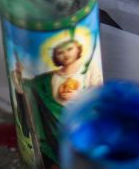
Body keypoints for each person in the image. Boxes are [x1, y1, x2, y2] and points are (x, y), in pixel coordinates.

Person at [12, 39, 103, 168]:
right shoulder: (47, 79)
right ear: (55, 56)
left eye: (69, 49)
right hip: (52, 132)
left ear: (78, 49)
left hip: (80, 128)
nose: (66, 54)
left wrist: (77, 97)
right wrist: (19, 75)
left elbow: (99, 96)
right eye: (60, 52)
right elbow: (28, 88)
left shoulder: (89, 69)